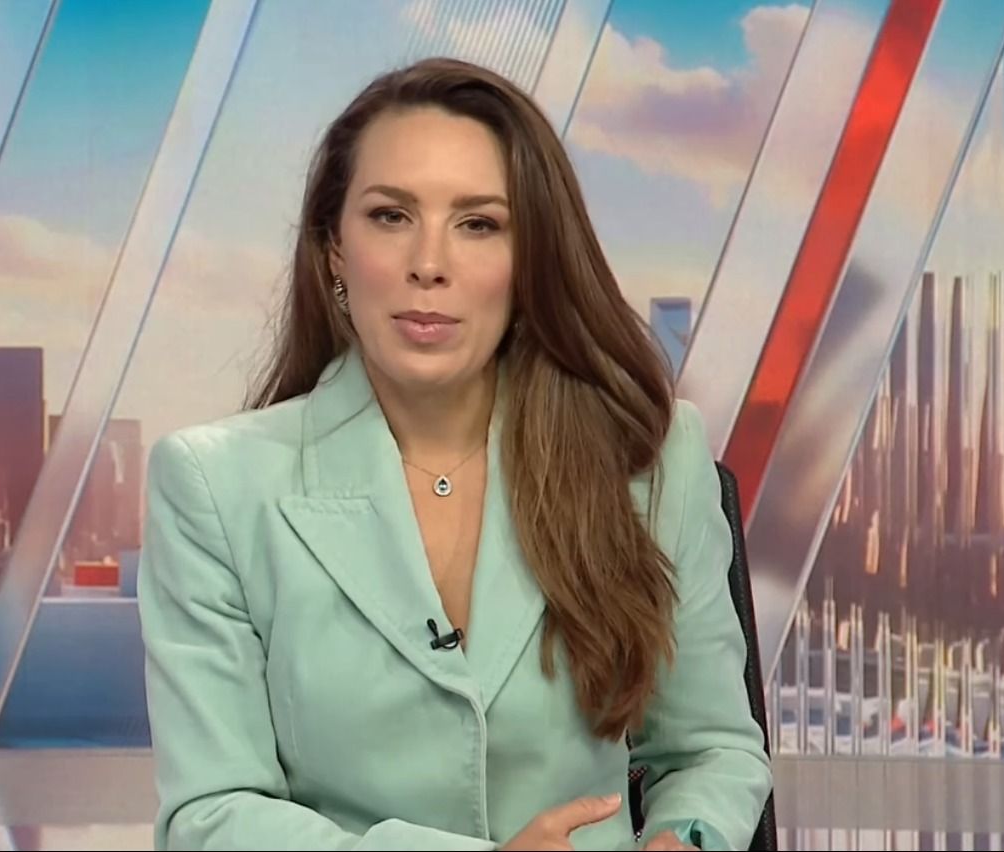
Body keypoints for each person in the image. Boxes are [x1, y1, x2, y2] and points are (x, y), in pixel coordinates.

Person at [138, 56, 772, 851]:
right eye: (390, 216)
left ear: (530, 258)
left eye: (478, 224)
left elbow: (710, 750)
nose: (428, 264)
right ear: (333, 249)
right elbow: (210, 813)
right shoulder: (213, 485)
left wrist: (683, 840)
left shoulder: (648, 458)